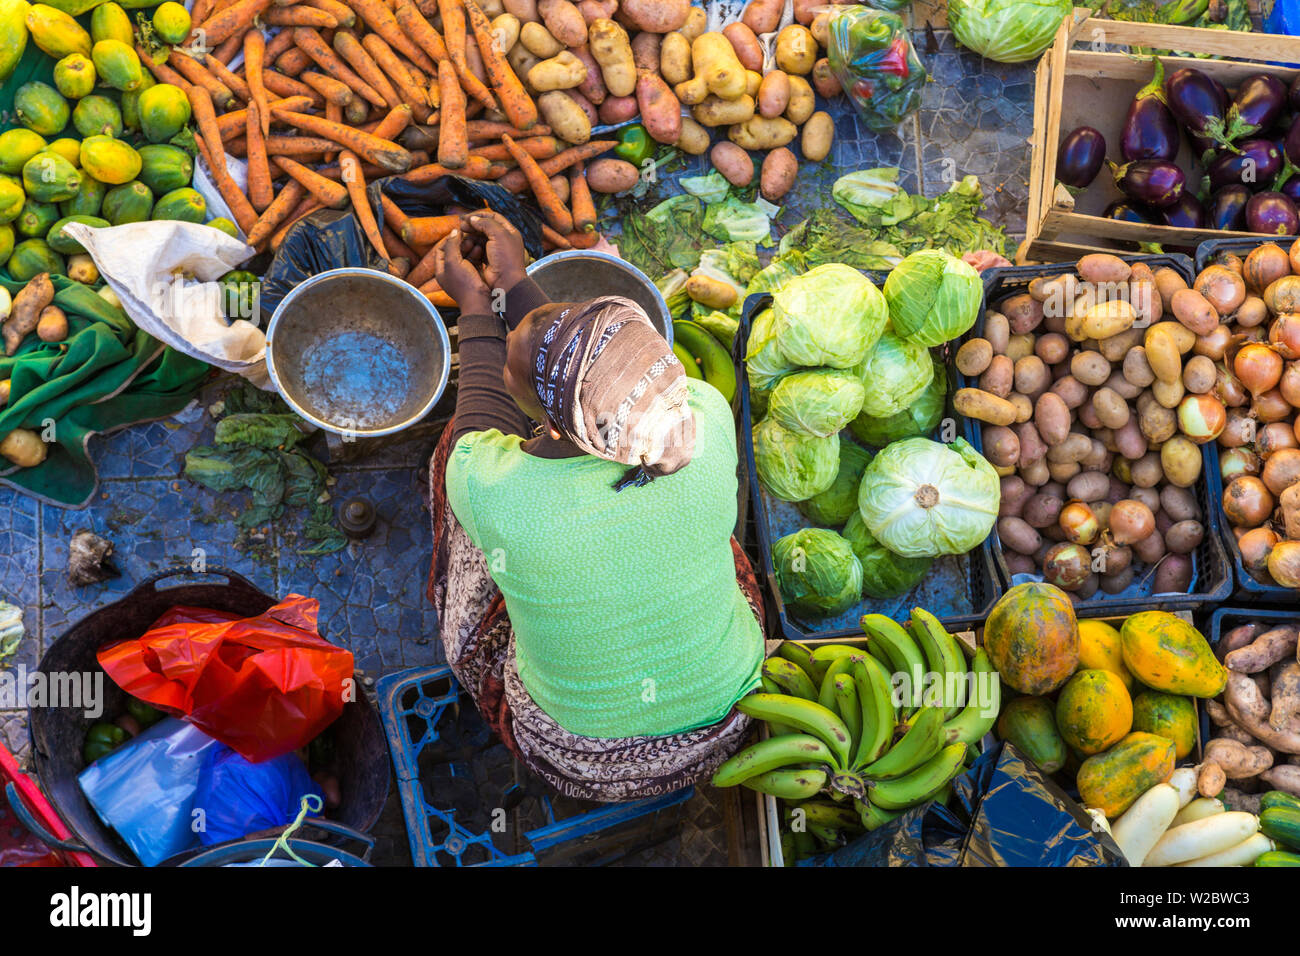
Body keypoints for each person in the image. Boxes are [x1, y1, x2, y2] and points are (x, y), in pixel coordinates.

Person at [424, 210, 765, 801]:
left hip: (578, 755)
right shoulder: (703, 414)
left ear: (548, 419)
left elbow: (471, 437)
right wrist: (517, 283)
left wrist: (478, 313)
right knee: (699, 537)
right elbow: (593, 380)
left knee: (453, 495)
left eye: (510, 368)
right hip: (727, 718)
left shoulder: (492, 487)